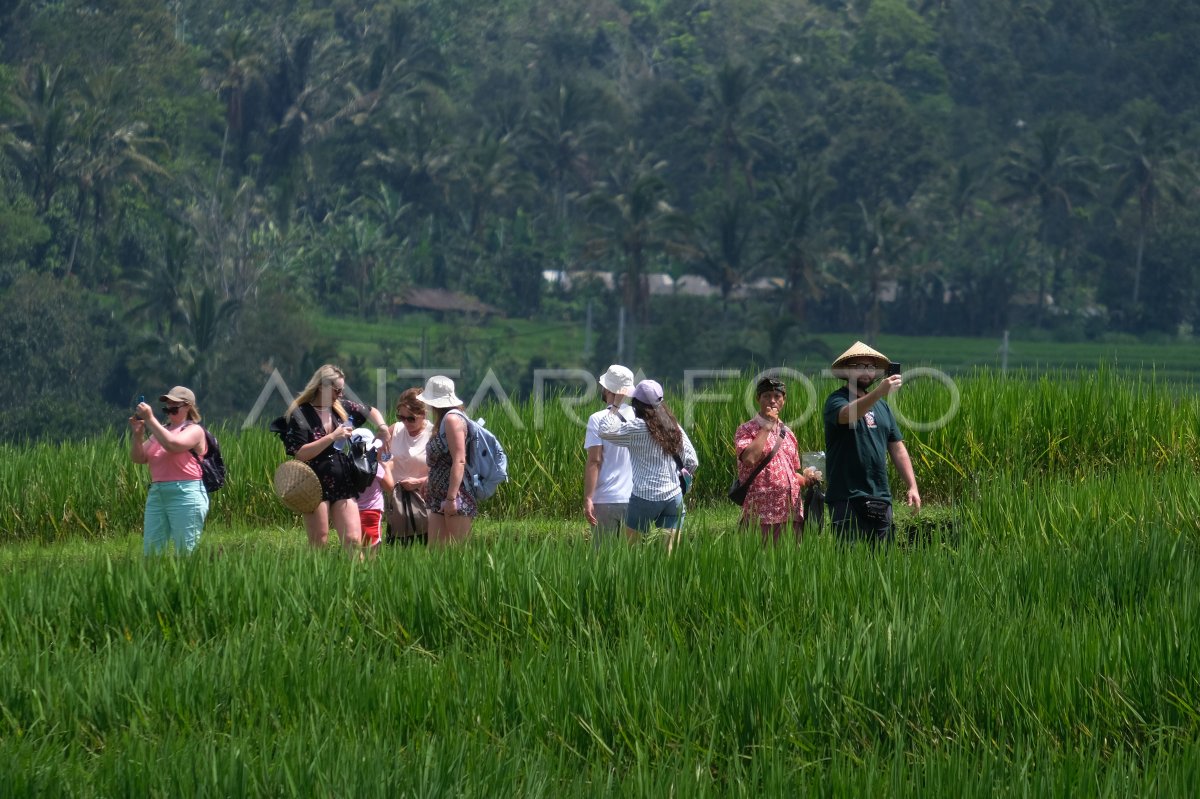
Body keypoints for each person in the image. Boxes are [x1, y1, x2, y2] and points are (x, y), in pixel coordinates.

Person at [277, 364, 393, 550]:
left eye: (342, 390)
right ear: (322, 387)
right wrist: (332, 437)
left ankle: (357, 577)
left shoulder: (341, 408)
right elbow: (300, 452)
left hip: (342, 480)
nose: (340, 394)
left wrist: (382, 428)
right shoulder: (300, 414)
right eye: (337, 390)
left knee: (354, 540)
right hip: (313, 483)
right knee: (319, 541)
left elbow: (370, 411)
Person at [823, 341, 921, 545]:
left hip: (880, 494)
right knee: (848, 561)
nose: (866, 371)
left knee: (881, 561)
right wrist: (878, 393)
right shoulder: (836, 400)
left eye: (870, 367)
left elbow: (897, 447)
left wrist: (912, 485)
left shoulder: (883, 408)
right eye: (859, 367)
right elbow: (847, 414)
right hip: (846, 495)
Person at [598, 379, 699, 554]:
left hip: (644, 498)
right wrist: (680, 478)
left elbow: (605, 431)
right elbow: (692, 461)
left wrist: (615, 405)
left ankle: (638, 581)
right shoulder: (673, 426)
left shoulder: (637, 428)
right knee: (668, 557)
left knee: (632, 554)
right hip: (673, 497)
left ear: (636, 405)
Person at [735, 376, 822, 544]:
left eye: (777, 396)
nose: (772, 401)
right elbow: (749, 459)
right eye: (766, 396)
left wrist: (807, 479)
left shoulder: (788, 434)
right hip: (761, 513)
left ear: (784, 400)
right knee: (760, 563)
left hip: (792, 512)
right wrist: (767, 425)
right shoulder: (746, 430)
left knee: (790, 564)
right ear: (758, 399)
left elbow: (790, 473)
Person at [128, 386, 209, 555]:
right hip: (157, 494)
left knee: (186, 552)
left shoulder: (194, 430)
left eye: (174, 407)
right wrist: (137, 436)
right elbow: (138, 458)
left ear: (187, 407)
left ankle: (189, 581)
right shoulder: (161, 432)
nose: (169, 411)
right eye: (167, 408)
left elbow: (173, 445)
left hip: (186, 493)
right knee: (151, 553)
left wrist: (150, 419)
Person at [418, 375, 476, 546]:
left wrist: (451, 499)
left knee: (457, 553)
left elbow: (459, 460)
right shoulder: (442, 422)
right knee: (435, 553)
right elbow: (443, 460)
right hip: (438, 496)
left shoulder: (452, 420)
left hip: (455, 495)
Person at [583, 365, 635, 547]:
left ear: (608, 389)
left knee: (603, 561)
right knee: (634, 562)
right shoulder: (640, 417)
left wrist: (588, 497)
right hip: (636, 499)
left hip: (606, 499)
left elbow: (594, 461)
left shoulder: (597, 419)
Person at [386, 387, 433, 546]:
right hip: (398, 501)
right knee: (396, 549)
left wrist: (419, 482)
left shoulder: (433, 434)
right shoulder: (394, 430)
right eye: (401, 417)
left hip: (424, 501)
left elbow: (443, 471)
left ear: (423, 414)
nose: (405, 422)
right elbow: (382, 462)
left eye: (411, 418)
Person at [354, 429, 393, 551]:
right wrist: (386, 467)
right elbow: (390, 486)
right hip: (371, 511)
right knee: (372, 548)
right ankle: (370, 569)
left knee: (354, 546)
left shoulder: (347, 463)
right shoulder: (375, 466)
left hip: (351, 512)